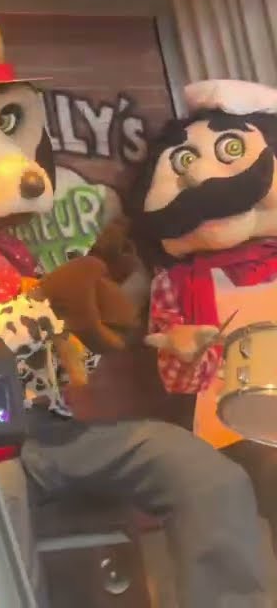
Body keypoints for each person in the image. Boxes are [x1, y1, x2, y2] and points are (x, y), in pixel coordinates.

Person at [0, 18, 276, 607]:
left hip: (52, 431)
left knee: (196, 467)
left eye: (9, 122)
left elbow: (58, 366)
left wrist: (95, 312)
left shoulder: (15, 253)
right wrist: (51, 301)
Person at [132, 78, 277, 541]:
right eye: (184, 162)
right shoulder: (176, 284)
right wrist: (184, 350)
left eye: (230, 150)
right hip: (231, 433)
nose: (199, 178)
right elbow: (178, 383)